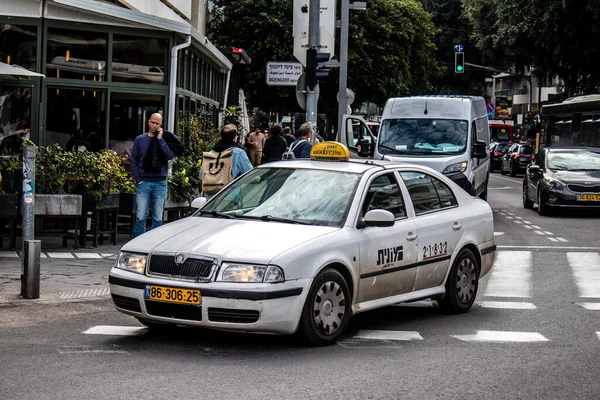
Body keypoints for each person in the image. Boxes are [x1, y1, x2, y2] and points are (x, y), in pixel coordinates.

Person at [130, 113, 182, 238]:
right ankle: (138, 243)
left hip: (160, 182)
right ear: (148, 122)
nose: (154, 125)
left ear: (160, 125)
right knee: (140, 216)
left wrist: (160, 139)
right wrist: (138, 179)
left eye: (157, 123)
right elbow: (134, 160)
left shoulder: (164, 139)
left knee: (158, 217)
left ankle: (154, 242)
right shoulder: (140, 139)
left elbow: (169, 156)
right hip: (144, 182)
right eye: (153, 122)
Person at [201, 124, 252, 199]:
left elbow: (201, 175)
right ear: (234, 138)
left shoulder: (211, 153)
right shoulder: (238, 153)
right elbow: (249, 173)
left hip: (210, 200)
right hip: (230, 198)